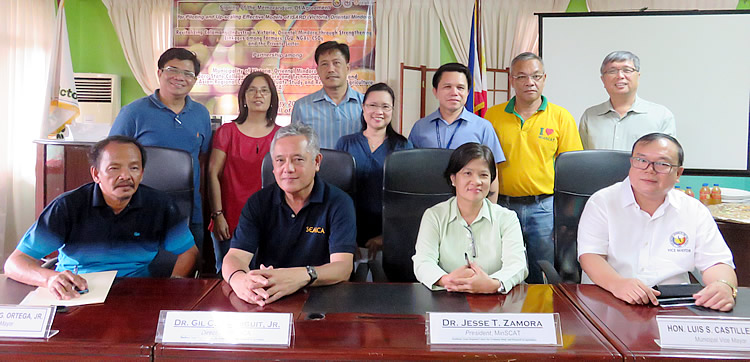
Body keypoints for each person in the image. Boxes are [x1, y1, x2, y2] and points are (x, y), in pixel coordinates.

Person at [3, 136, 199, 300]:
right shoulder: (67, 207)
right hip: (77, 292)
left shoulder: (160, 205)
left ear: (142, 173)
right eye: (114, 168)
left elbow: (189, 252)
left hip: (137, 294)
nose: (125, 176)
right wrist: (49, 279)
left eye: (134, 168)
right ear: (96, 174)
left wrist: (175, 283)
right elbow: (15, 263)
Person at [578, 133, 737, 311]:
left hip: (674, 305)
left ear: (678, 173)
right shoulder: (603, 202)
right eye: (641, 160)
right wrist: (618, 285)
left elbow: (716, 262)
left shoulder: (693, 210)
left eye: (662, 164)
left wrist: (723, 286)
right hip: (610, 299)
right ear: (631, 164)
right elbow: (590, 256)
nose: (649, 169)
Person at [222, 123, 356, 306]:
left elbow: (343, 267)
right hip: (268, 298)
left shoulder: (339, 203)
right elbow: (235, 256)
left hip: (322, 298)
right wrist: (240, 281)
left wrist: (301, 276)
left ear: (316, 162)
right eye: (280, 160)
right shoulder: (258, 202)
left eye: (298, 159)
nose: (288, 168)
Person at [484, 52, 583, 284]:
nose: (530, 82)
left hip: (544, 208)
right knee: (504, 269)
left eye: (536, 76)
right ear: (512, 80)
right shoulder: (493, 116)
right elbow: (485, 163)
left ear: (544, 78)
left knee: (543, 270)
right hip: (503, 206)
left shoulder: (560, 117)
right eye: (522, 76)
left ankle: (541, 317)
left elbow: (571, 169)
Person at [109, 48, 212, 255]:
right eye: (173, 69)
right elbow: (110, 159)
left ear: (194, 80)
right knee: (143, 275)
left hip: (189, 213)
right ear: (159, 73)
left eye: (188, 74)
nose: (180, 77)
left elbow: (202, 156)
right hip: (140, 211)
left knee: (188, 275)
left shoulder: (201, 113)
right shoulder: (133, 113)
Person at [412, 143, 527, 293]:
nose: (477, 181)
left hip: (495, 300)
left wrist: (493, 284)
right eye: (468, 173)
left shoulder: (507, 218)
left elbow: (517, 264)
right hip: (446, 297)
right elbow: (423, 261)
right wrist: (447, 280)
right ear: (453, 179)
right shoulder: (434, 216)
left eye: (484, 175)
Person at [208, 72, 281, 272]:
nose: (258, 95)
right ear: (244, 97)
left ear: (272, 97)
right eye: (252, 90)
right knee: (229, 276)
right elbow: (213, 174)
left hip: (270, 220)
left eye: (264, 90)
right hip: (229, 218)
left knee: (266, 277)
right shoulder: (227, 132)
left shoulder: (281, 135)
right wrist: (217, 214)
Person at [335, 82, 412, 261]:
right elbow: (337, 194)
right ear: (363, 107)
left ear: (392, 110)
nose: (379, 111)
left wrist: (387, 236)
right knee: (349, 287)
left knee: (387, 287)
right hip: (349, 233)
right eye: (373, 105)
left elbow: (407, 199)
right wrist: (345, 237)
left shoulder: (403, 145)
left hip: (390, 236)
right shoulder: (345, 143)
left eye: (385, 106)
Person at [407, 62, 506, 202]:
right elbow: (411, 169)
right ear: (435, 91)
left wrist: (491, 212)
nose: (454, 92)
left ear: (467, 92)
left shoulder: (483, 128)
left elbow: (492, 174)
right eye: (447, 87)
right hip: (428, 202)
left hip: (471, 204)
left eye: (460, 87)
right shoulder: (420, 127)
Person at [579, 51, 676, 151]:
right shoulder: (590, 116)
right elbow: (583, 158)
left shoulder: (661, 115)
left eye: (627, 70)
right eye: (612, 71)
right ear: (603, 80)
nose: (620, 76)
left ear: (638, 76)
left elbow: (667, 157)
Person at [291, 41, 364, 149]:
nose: (330, 69)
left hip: (357, 166)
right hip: (317, 166)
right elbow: (294, 145)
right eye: (325, 64)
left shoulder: (364, 104)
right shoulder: (302, 107)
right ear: (318, 70)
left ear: (347, 68)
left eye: (336, 63)